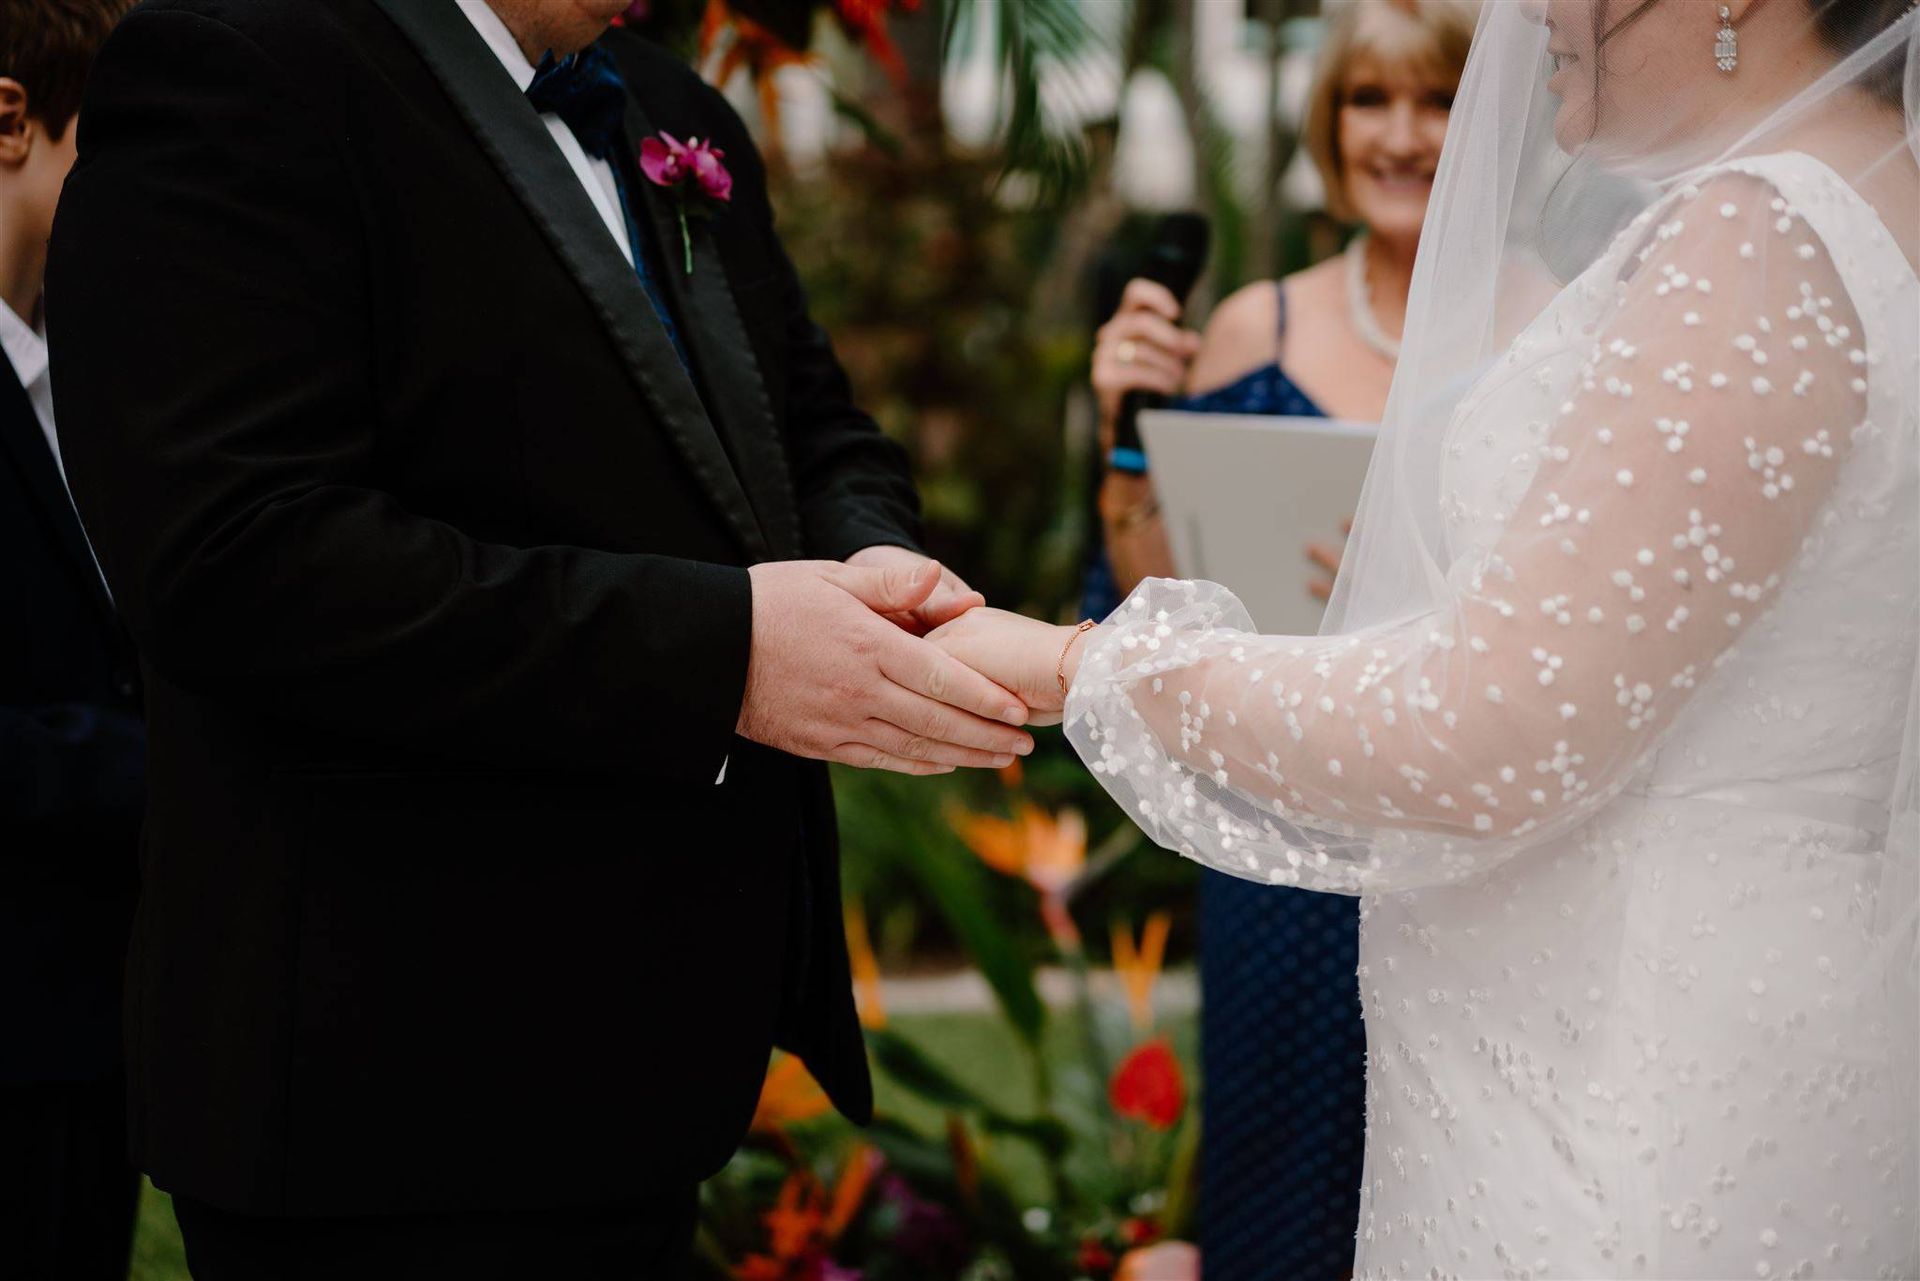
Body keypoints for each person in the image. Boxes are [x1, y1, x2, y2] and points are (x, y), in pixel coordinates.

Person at [46, 0, 1033, 1275]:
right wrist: (722, 652)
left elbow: (814, 424)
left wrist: (867, 563)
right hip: (384, 1081)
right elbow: (237, 554)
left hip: (653, 1054)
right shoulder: (237, 64)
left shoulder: (677, 113)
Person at [936, 0, 1920, 1276]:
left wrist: (1076, 667)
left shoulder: (1755, 234)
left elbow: (1482, 732)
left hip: (1624, 1086)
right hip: (1750, 1040)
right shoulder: (1877, 204)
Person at [1089, 5, 1475, 1276]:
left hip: (1474, 847)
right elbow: (1158, 600)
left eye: (1436, 98)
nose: (1403, 136)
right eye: (1371, 100)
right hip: (1285, 854)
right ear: (1331, 121)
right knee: (1286, 1207)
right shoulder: (1258, 327)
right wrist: (1124, 437)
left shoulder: (1561, 323)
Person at [0, 3, 142, 1278]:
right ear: (10, 120)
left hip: (88, 1030)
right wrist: (168, 769)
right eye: (114, 137)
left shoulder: (69, 372)